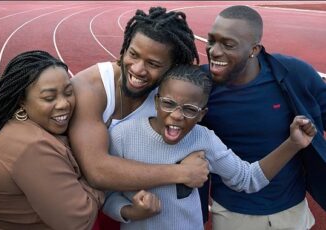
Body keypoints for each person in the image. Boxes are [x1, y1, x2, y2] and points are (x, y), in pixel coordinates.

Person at [101, 64, 316, 230]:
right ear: (157, 102)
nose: (176, 115)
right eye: (168, 104)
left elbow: (248, 179)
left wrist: (293, 144)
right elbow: (107, 195)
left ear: (202, 114)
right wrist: (131, 211)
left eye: (189, 109)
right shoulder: (121, 136)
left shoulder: (203, 139)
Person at [68, 7, 209, 229]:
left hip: (145, 210)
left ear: (173, 68)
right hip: (92, 209)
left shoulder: (171, 94)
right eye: (133, 54)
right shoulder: (90, 87)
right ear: (124, 49)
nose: (137, 69)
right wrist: (182, 172)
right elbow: (96, 171)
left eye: (153, 64)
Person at [199, 5, 326, 230]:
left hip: (291, 209)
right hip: (232, 212)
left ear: (254, 49)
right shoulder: (199, 86)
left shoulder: (292, 73)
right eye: (212, 40)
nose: (214, 51)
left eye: (228, 44)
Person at [0, 50, 104, 230]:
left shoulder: (11, 125)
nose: (64, 104)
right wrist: (97, 179)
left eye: (68, 92)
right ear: (22, 101)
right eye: (49, 98)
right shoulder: (33, 147)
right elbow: (79, 222)